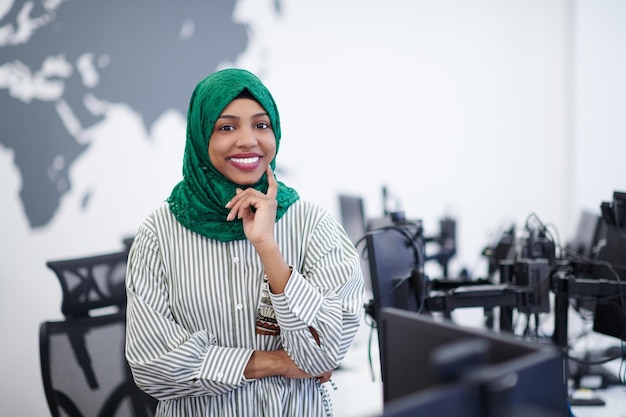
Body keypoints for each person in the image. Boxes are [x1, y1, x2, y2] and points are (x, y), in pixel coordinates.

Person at [125, 68, 365, 417]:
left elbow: (324, 355)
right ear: (200, 135)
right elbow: (152, 367)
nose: (248, 140)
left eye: (261, 125)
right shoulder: (158, 234)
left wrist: (269, 248)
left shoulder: (313, 225)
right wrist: (274, 362)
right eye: (226, 127)